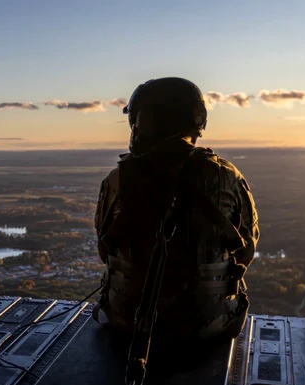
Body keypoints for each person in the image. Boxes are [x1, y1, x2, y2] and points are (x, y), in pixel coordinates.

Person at [93, 77, 259, 342]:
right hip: (212, 325)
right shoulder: (228, 177)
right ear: (198, 121)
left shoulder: (117, 180)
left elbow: (106, 250)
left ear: (145, 122)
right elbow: (246, 250)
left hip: (127, 322)